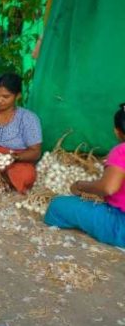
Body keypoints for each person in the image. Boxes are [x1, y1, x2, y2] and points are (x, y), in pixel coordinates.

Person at [44, 103, 125, 247]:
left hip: (120, 226)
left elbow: (109, 188)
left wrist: (81, 185)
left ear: (117, 132)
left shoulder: (121, 151)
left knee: (57, 206)